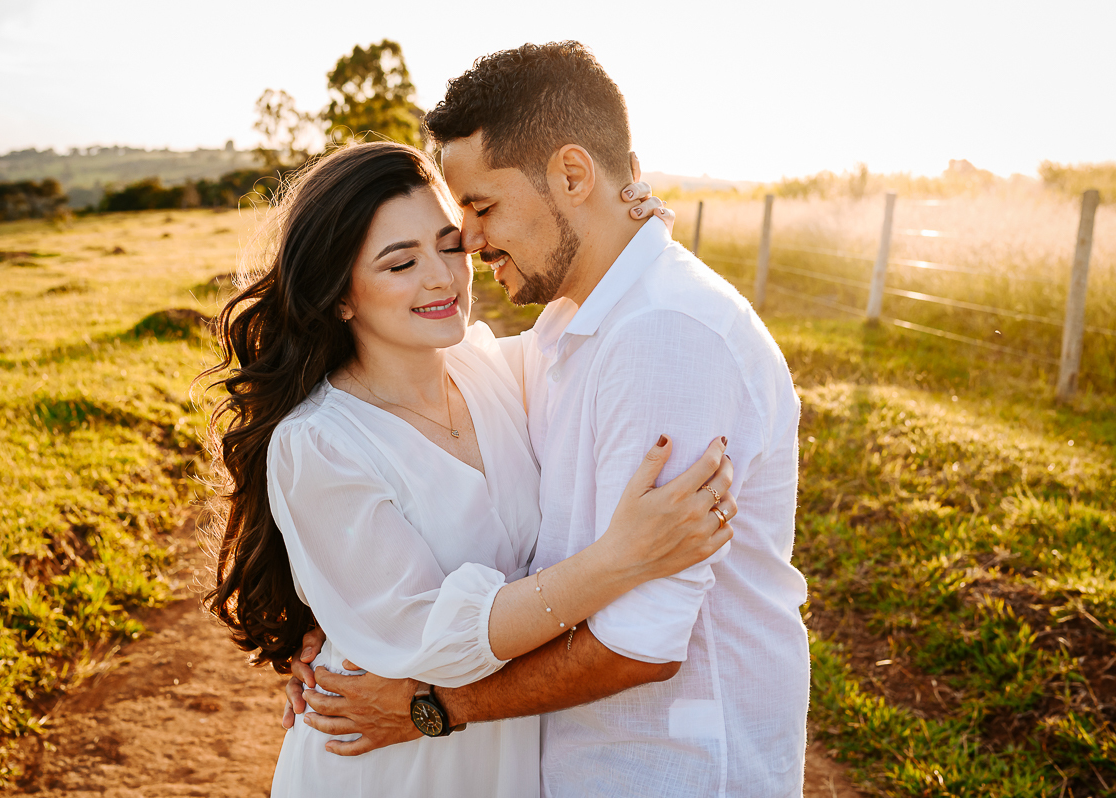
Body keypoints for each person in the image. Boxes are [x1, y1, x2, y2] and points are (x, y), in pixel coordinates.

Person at [287, 41, 811, 797]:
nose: (466, 240)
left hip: (672, 768)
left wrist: (429, 707)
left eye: (481, 207)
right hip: (584, 763)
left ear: (571, 175)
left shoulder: (664, 334)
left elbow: (640, 646)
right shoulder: (563, 334)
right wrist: (349, 622)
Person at [203, 140, 738, 798]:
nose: (442, 277)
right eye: (401, 263)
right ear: (340, 296)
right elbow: (429, 639)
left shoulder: (495, 370)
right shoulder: (318, 443)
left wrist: (643, 210)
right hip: (386, 758)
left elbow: (605, 292)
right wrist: (620, 561)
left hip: (501, 747)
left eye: (448, 246)